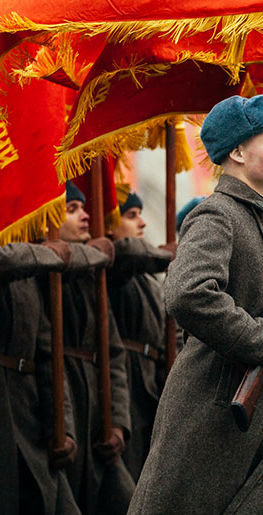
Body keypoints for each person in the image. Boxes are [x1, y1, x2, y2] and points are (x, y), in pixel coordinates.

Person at [130, 94, 263, 513]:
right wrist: (262, 340)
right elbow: (188, 292)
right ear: (237, 152)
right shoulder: (216, 214)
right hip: (220, 412)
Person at [0, 226, 86, 515]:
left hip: (32, 421)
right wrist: (43, 252)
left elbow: (47, 358)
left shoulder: (29, 275)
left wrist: (62, 426)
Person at [56, 181, 135, 515]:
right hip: (63, 418)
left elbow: (113, 355)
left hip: (98, 415)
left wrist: (117, 421)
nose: (86, 216)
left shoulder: (92, 277)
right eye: (72, 210)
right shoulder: (37, 273)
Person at [106, 185, 174, 480]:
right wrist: (167, 254)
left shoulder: (145, 277)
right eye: (131, 215)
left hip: (150, 379)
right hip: (126, 379)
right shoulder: (112, 265)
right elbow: (127, 251)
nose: (142, 223)